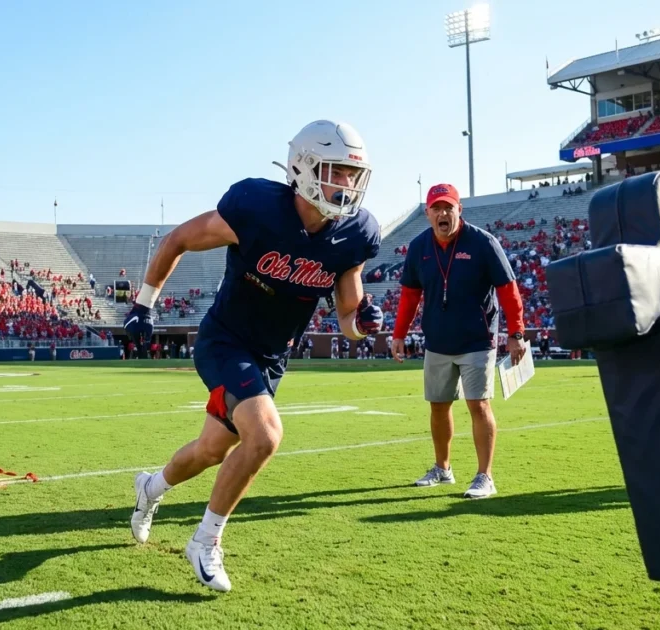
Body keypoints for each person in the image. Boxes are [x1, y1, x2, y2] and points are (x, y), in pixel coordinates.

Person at [124, 120, 382, 592]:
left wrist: (362, 325)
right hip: (225, 340)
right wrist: (143, 303)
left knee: (209, 451)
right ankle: (205, 541)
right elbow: (178, 238)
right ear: (304, 168)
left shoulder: (355, 234)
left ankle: (150, 488)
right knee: (264, 436)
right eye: (337, 171)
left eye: (352, 174)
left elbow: (347, 315)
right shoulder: (258, 208)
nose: (346, 184)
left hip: (271, 357)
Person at [390, 183, 525, 500]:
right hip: (437, 341)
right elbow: (410, 295)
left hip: (477, 339)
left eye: (448, 207)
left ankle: (485, 476)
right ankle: (443, 468)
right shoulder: (419, 247)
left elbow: (508, 289)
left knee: (478, 405)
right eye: (436, 208)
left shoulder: (482, 243)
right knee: (438, 406)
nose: (442, 213)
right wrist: (398, 334)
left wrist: (517, 333)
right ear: (427, 214)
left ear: (459, 210)